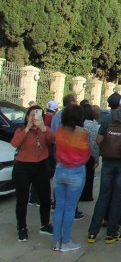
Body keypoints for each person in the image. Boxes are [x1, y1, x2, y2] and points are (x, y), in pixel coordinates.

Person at [87, 94, 121, 244]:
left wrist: (107, 150)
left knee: (103, 196)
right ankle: (112, 233)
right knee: (118, 196)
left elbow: (98, 140)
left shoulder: (108, 118)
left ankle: (92, 232)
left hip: (108, 163)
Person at [11, 105, 56, 241]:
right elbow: (15, 143)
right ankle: (22, 228)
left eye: (37, 115)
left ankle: (45, 224)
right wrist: (27, 128)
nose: (34, 118)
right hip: (23, 166)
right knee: (22, 199)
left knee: (45, 197)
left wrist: (42, 127)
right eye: (31, 115)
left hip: (41, 166)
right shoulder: (21, 130)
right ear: (27, 117)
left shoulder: (44, 130)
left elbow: (52, 140)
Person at [52, 104, 90, 252]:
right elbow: (88, 151)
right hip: (76, 171)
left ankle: (56, 242)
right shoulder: (83, 133)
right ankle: (66, 241)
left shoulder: (59, 131)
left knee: (59, 207)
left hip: (60, 170)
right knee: (70, 208)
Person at [79, 103, 100, 202]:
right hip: (89, 154)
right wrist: (96, 158)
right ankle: (87, 195)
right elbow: (94, 143)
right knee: (89, 176)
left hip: (79, 154)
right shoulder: (93, 125)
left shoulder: (79, 123)